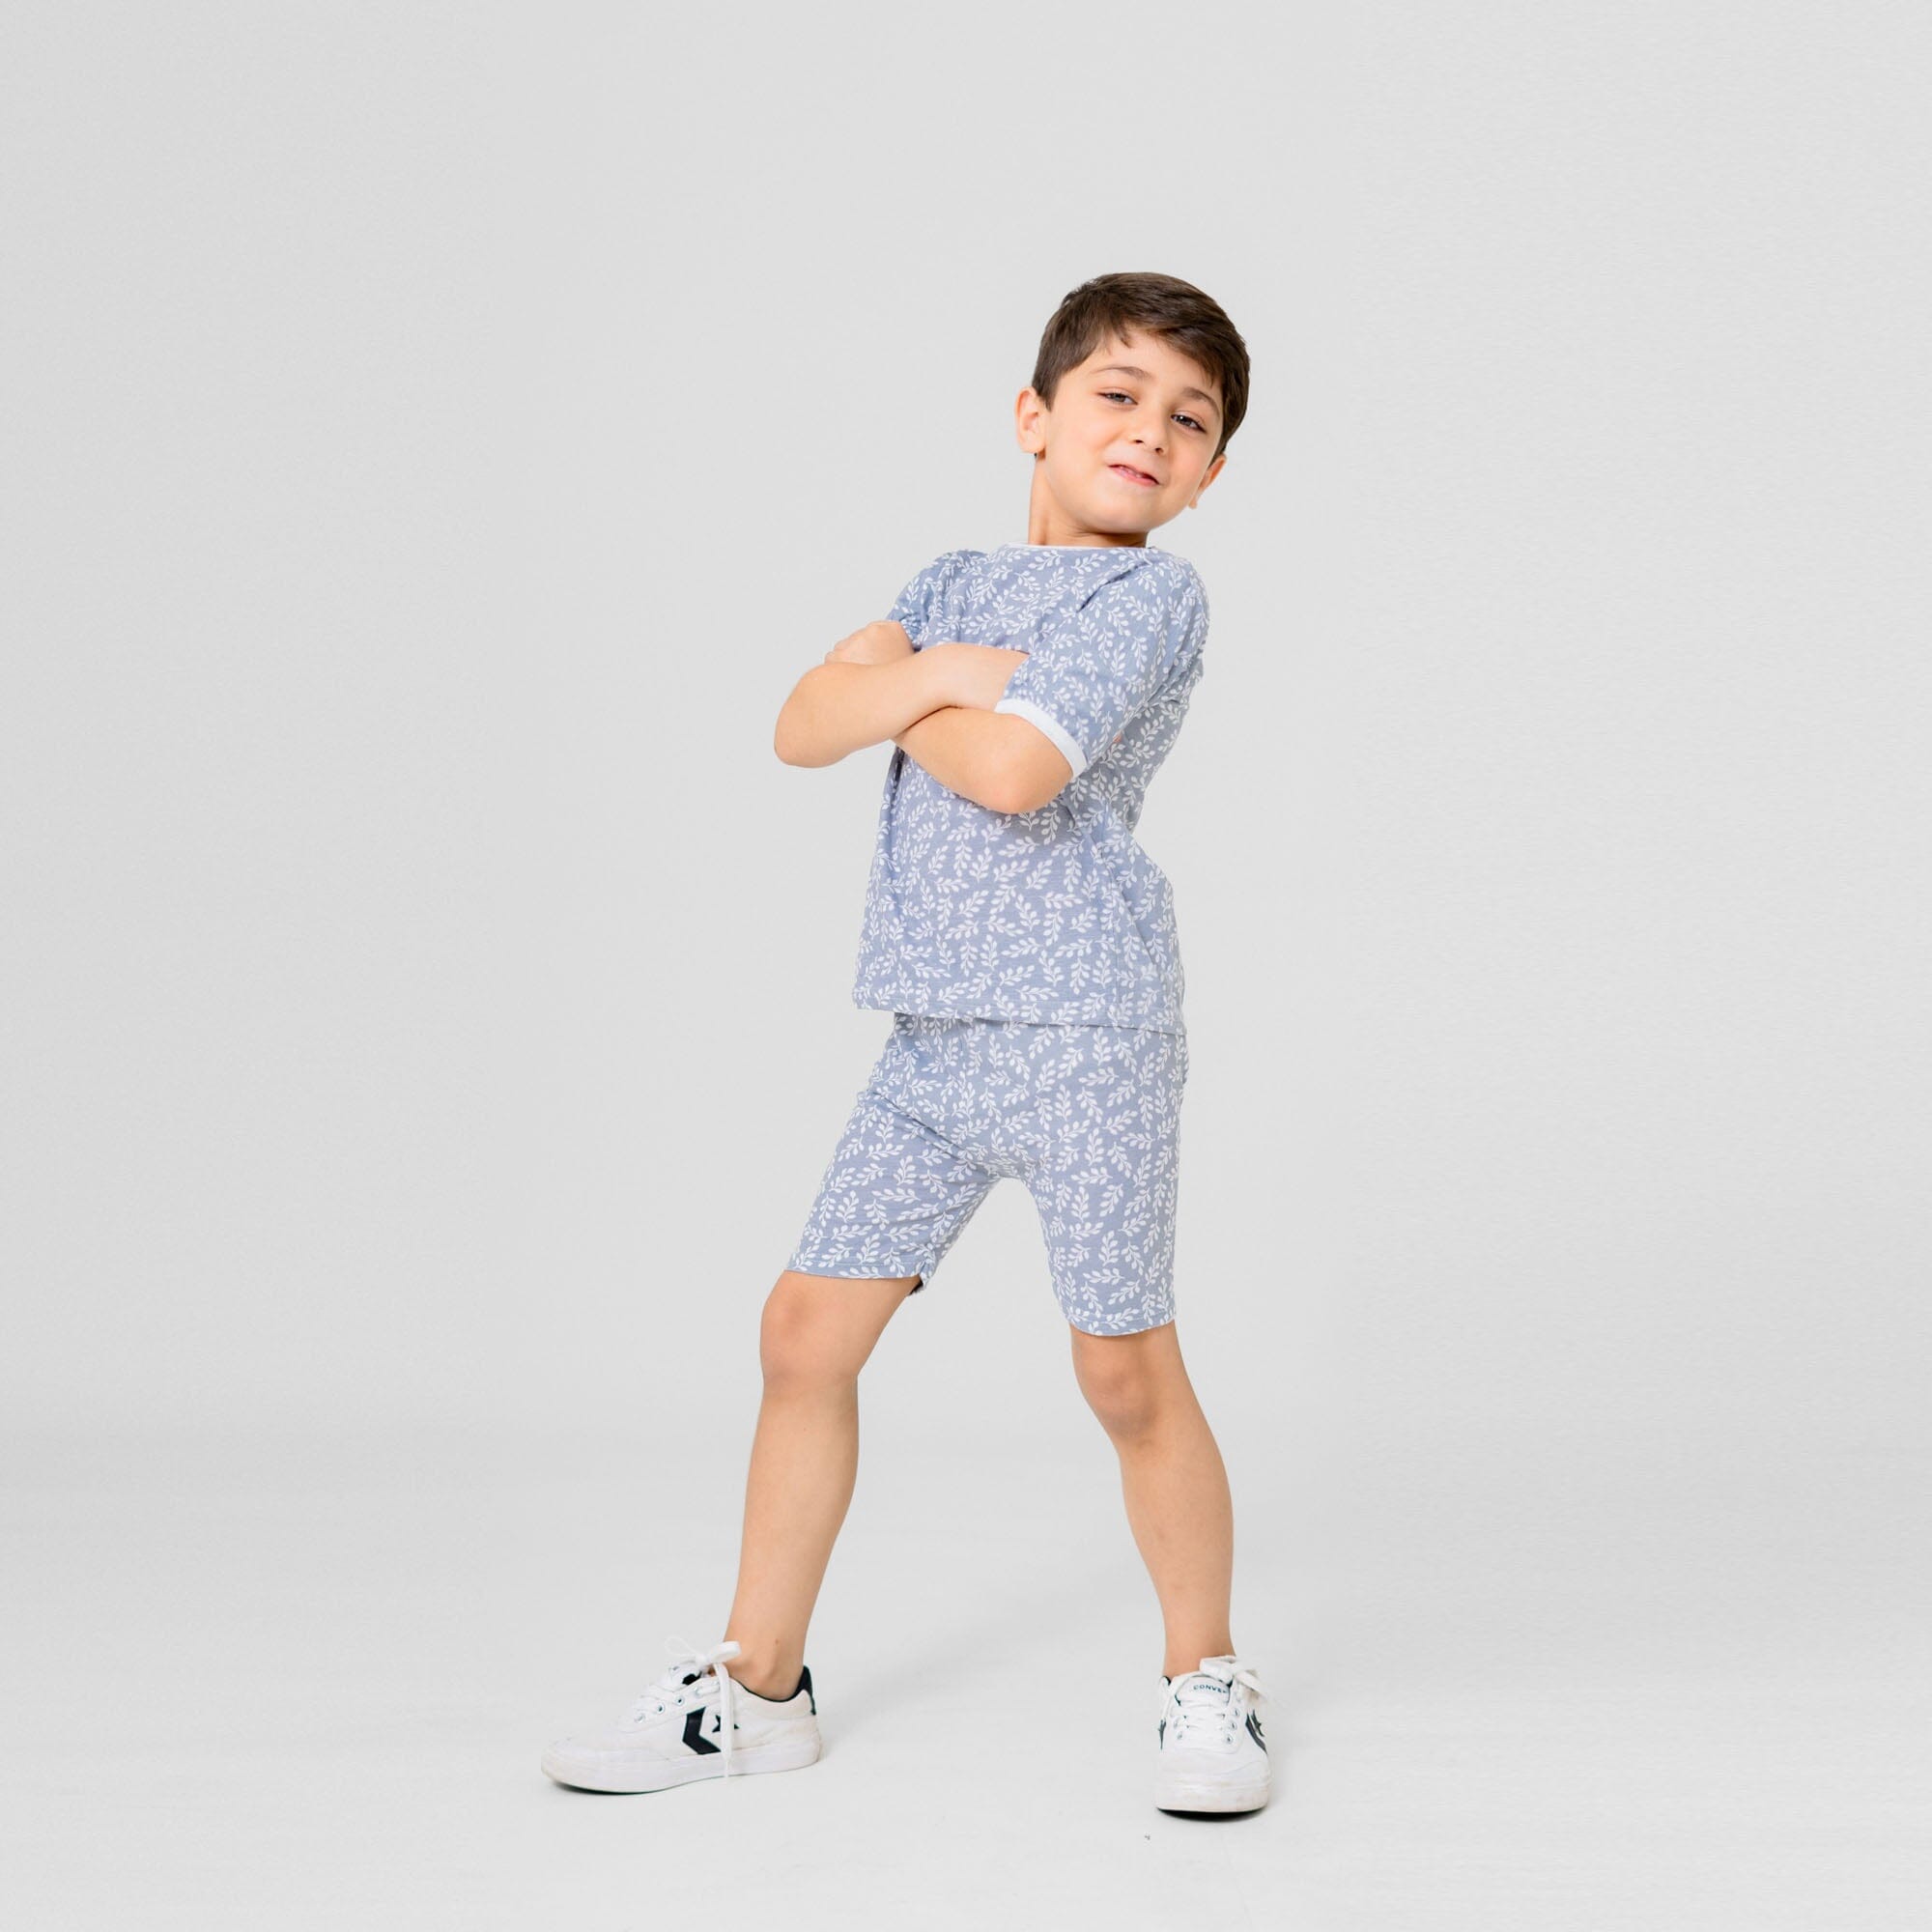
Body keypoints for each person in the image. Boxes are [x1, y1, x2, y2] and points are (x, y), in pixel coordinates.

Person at [541, 272, 1267, 1816]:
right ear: (1035, 415)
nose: (1150, 430)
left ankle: (1204, 1682)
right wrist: (932, 675)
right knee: (803, 1334)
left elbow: (1012, 774)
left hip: (1086, 1035)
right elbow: (800, 722)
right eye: (1119, 395)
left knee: (1123, 1371)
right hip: (931, 1039)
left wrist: (889, 689)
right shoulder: (946, 581)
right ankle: (758, 1688)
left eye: (1189, 420)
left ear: (1208, 473)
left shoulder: (1151, 603)